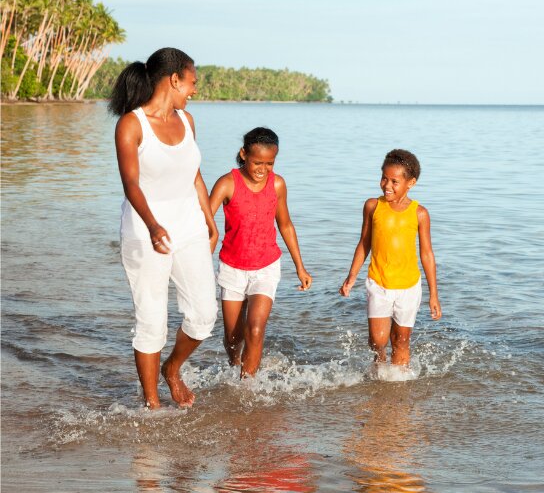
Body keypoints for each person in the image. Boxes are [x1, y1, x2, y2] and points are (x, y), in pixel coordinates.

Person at [110, 47, 218, 409]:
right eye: (192, 82)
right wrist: (154, 225)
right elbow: (131, 185)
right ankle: (152, 403)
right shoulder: (131, 124)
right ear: (174, 80)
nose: (194, 90)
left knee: (204, 314)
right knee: (151, 318)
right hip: (145, 229)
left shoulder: (187, 122)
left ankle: (172, 368)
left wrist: (209, 218)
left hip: (188, 225)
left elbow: (195, 174)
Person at [208, 127, 313, 378]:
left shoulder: (277, 184)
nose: (262, 169)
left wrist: (300, 266)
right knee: (233, 338)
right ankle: (235, 368)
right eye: (257, 162)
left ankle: (248, 386)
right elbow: (205, 226)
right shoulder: (226, 183)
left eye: (269, 163)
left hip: (266, 267)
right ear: (244, 154)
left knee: (255, 329)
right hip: (232, 268)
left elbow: (285, 224)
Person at [339, 149, 441, 371]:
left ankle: (398, 386)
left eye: (395, 181)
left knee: (401, 340)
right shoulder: (373, 206)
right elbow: (364, 243)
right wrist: (351, 277)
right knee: (378, 340)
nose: (387, 185)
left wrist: (433, 294)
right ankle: (379, 364)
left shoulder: (419, 213)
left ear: (410, 183)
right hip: (379, 282)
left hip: (408, 287)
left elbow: (427, 254)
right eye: (384, 178)